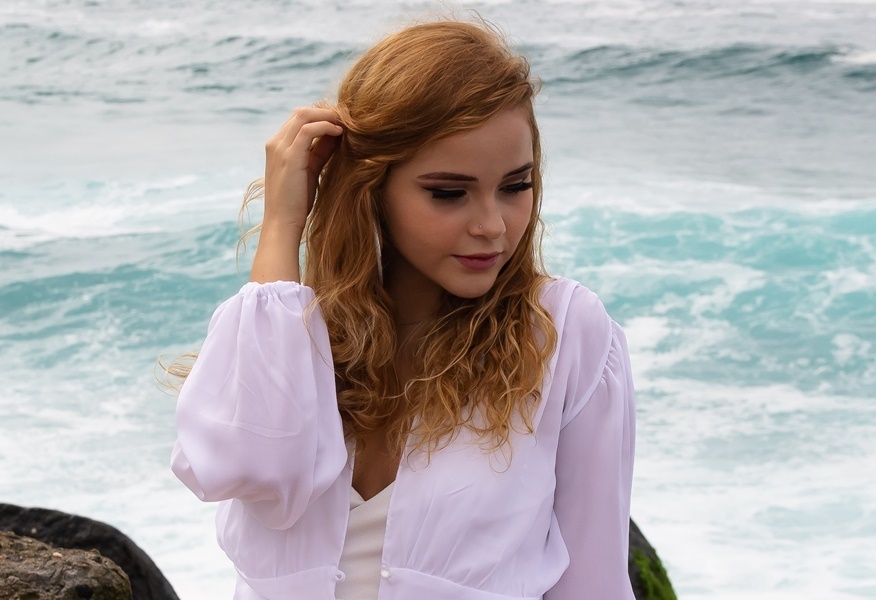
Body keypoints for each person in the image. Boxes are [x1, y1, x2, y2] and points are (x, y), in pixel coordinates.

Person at [169, 17, 636, 600]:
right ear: (372, 186)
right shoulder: (296, 334)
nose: (492, 225)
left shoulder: (564, 333)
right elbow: (243, 464)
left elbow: (594, 580)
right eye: (448, 193)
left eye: (516, 186)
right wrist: (283, 224)